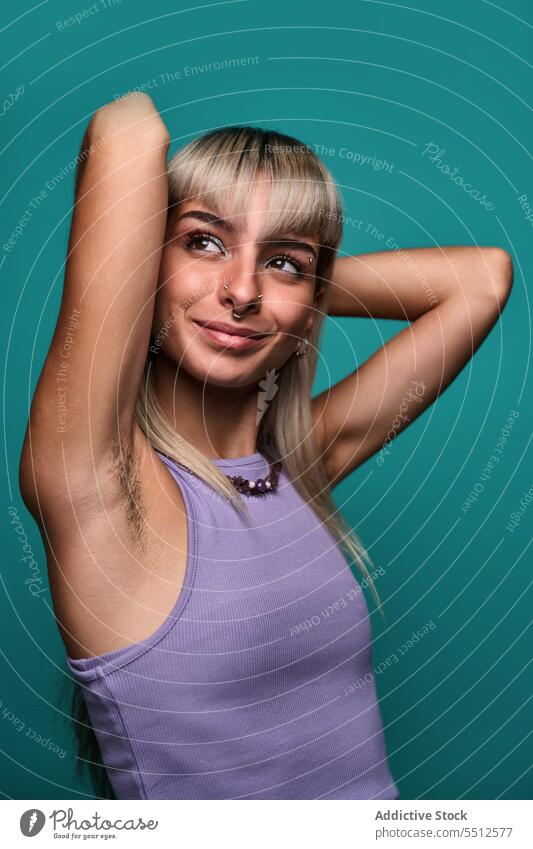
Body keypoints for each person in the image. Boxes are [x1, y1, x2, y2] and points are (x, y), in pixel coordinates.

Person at [19, 93, 513, 800]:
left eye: (281, 262)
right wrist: (208, 280)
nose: (242, 291)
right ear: (147, 263)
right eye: (203, 242)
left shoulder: (297, 466)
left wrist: (293, 289)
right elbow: (128, 129)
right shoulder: (97, 486)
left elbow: (480, 278)